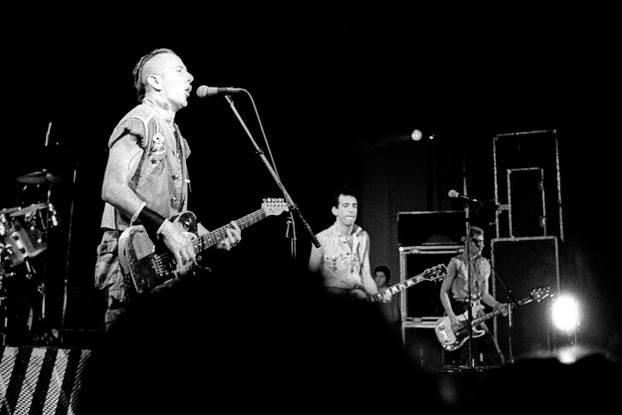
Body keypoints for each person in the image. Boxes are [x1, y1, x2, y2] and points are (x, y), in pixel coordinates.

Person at [93, 48, 241, 333]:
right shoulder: (140, 120)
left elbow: (177, 217)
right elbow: (112, 187)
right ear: (155, 82)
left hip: (163, 260)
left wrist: (210, 237)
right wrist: (166, 229)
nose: (191, 77)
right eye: (180, 70)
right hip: (130, 255)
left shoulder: (177, 137)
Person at [439, 225, 506, 366]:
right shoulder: (456, 262)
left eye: (483, 241)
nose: (482, 245)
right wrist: (452, 317)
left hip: (476, 311)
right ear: (469, 242)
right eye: (478, 242)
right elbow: (443, 292)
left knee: (495, 357)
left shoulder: (484, 263)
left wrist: (498, 305)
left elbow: (485, 295)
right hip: (459, 309)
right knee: (469, 358)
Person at [308, 188, 388, 301]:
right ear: (335, 210)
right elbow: (310, 278)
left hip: (357, 297)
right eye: (345, 206)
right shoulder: (322, 238)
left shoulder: (363, 237)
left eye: (354, 206)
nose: (351, 210)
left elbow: (366, 275)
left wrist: (377, 298)